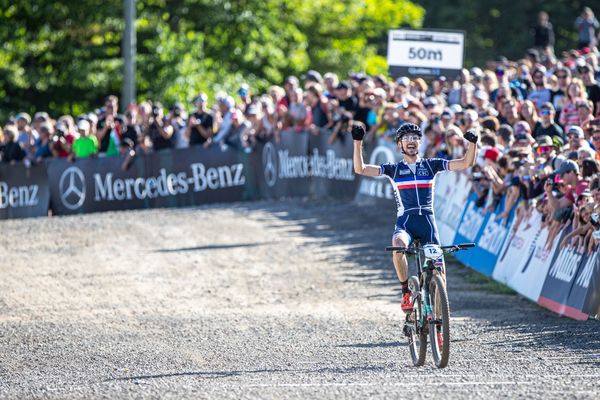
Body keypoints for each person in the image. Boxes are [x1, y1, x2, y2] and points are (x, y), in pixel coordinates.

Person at [351, 122, 478, 312]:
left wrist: (473, 144)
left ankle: (439, 321)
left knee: (440, 276)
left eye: (415, 138)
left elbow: (466, 163)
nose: (411, 141)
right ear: (399, 145)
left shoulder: (432, 165)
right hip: (406, 224)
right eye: (406, 138)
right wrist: (357, 142)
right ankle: (405, 292)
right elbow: (360, 169)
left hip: (428, 223)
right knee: (398, 244)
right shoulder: (393, 169)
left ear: (420, 143)